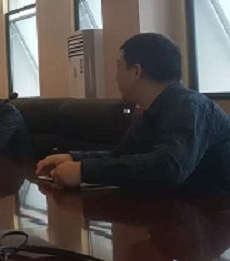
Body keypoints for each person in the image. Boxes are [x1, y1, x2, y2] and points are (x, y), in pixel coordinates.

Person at [36, 33, 230, 193]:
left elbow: (169, 167)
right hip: (180, 210)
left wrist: (83, 171)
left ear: (136, 71)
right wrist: (74, 159)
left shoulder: (189, 106)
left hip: (215, 216)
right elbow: (122, 155)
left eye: (119, 67)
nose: (115, 76)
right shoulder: (153, 110)